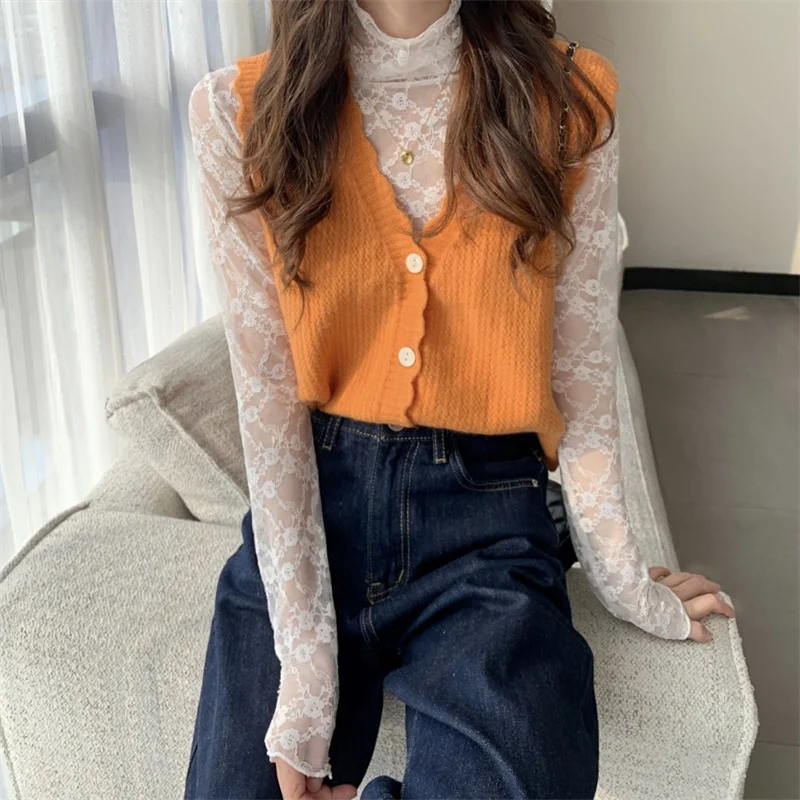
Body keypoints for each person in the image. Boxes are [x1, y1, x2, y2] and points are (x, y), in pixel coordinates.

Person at [185, 1, 735, 798]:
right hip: (311, 522)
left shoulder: (571, 102)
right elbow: (267, 407)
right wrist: (304, 680)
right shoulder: (235, 113)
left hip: (489, 528)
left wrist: (622, 581)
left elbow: (581, 372)